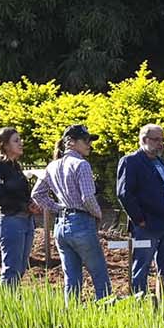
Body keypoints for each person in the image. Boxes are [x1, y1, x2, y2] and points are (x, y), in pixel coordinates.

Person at [36, 122, 109, 299]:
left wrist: (58, 208)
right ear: (70, 142)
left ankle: (72, 316)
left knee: (72, 278)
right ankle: (106, 313)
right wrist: (98, 214)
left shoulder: (52, 166)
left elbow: (37, 194)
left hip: (61, 226)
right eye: (85, 140)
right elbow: (88, 198)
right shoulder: (81, 164)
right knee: (99, 274)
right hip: (82, 223)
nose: (89, 144)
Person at [115, 122, 164, 296]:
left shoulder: (161, 163)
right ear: (143, 139)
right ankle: (139, 301)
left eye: (162, 140)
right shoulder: (131, 161)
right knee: (142, 266)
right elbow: (124, 193)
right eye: (156, 139)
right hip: (146, 225)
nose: (160, 143)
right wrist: (139, 219)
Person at [0, 125, 36, 287]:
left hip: (26, 221)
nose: (21, 143)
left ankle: (12, 301)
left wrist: (31, 205)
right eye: (16, 140)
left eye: (20, 140)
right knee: (11, 268)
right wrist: (24, 206)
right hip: (11, 221)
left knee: (21, 268)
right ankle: (6, 304)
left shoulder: (16, 167)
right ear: (4, 145)